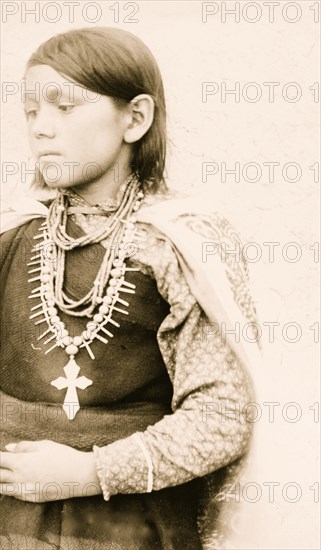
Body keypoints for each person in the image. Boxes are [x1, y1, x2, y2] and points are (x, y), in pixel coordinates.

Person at [0, 27, 261, 550]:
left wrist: (89, 472)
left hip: (130, 527)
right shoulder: (12, 234)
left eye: (64, 107)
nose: (41, 129)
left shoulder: (180, 242)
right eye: (31, 111)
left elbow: (223, 416)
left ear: (135, 118)